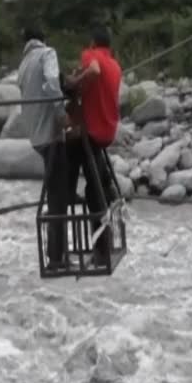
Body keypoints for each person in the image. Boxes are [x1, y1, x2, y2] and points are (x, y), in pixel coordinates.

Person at [64, 23, 123, 257]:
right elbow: (97, 80)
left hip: (91, 134)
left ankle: (66, 194)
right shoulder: (116, 65)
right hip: (107, 133)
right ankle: (104, 237)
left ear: (92, 43)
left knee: (65, 149)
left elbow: (95, 71)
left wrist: (74, 83)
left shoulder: (91, 56)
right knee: (99, 180)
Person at [16, 26, 72, 269]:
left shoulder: (23, 64)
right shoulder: (47, 54)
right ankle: (57, 258)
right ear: (43, 39)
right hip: (50, 134)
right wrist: (61, 113)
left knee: (55, 191)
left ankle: (57, 254)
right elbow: (51, 83)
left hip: (36, 138)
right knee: (58, 199)